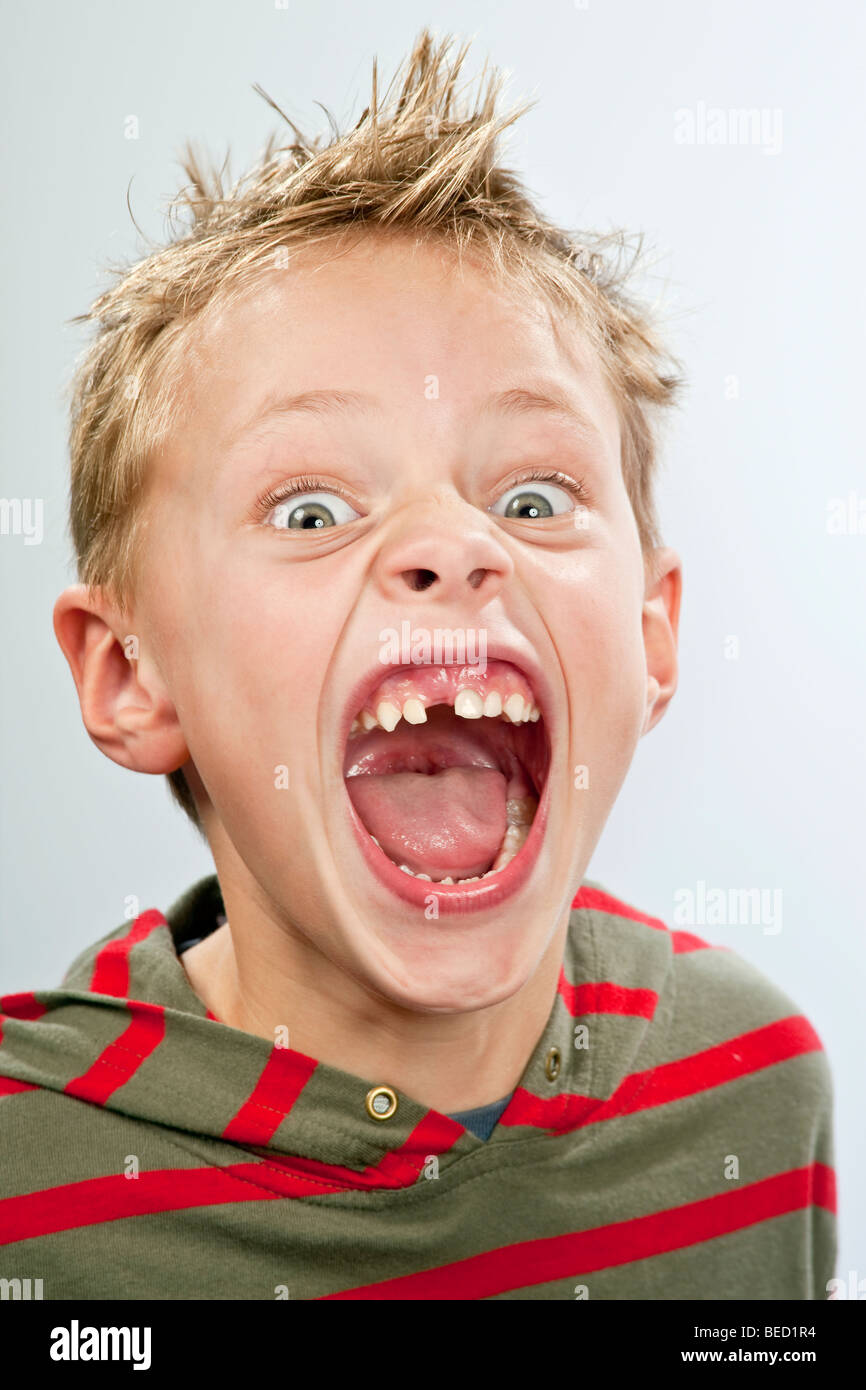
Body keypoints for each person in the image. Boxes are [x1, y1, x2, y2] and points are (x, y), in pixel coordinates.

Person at [0, 28, 835, 1300]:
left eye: (537, 495)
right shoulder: (28, 1179)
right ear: (129, 670)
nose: (452, 543)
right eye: (310, 513)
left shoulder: (756, 1094)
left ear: (653, 636)